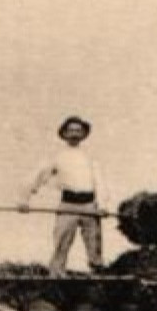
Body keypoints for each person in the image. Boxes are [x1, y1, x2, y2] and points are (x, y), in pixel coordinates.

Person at [19, 116, 107, 276]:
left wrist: (102, 206)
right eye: (71, 130)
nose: (75, 134)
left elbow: (99, 182)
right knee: (62, 241)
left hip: (89, 205)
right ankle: (57, 274)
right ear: (64, 133)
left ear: (84, 134)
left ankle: (98, 273)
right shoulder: (58, 156)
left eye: (78, 130)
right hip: (68, 204)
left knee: (94, 242)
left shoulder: (90, 156)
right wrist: (24, 199)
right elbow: (38, 177)